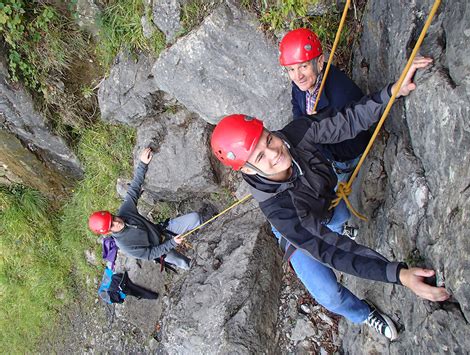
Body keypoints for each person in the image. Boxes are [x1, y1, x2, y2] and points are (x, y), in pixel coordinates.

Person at [210, 57, 450, 341]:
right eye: (260, 156)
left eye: (268, 139)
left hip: (325, 204)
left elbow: (345, 121)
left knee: (342, 217)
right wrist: (398, 274)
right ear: (247, 170)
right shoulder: (280, 210)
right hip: (299, 234)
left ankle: (341, 226)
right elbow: (330, 249)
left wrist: (391, 92)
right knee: (328, 293)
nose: (276, 152)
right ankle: (364, 314)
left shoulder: (295, 134)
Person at [279, 28, 371, 182]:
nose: (297, 76)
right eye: (291, 69)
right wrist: (301, 127)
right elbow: (296, 102)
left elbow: (350, 140)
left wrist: (313, 143)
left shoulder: (342, 98)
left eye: (304, 66)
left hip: (345, 156)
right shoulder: (304, 81)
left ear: (320, 62)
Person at [88, 147, 201, 270]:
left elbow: (134, 189)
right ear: (109, 232)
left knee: (196, 218)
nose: (117, 222)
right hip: (158, 250)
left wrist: (143, 164)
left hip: (162, 231)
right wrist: (172, 243)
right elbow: (150, 254)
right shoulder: (125, 245)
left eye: (113, 218)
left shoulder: (125, 212)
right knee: (186, 264)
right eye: (111, 225)